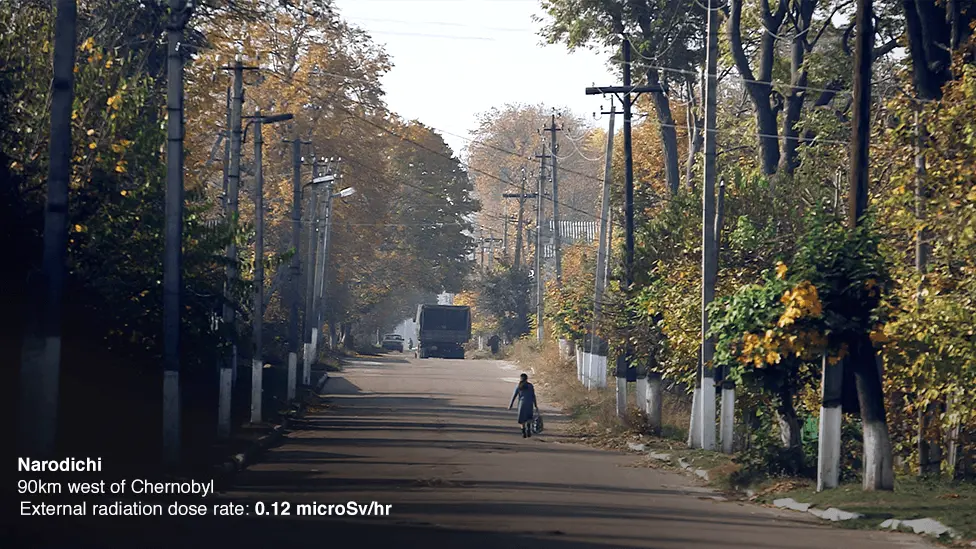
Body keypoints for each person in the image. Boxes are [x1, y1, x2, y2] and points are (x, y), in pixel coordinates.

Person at [508, 373, 539, 438]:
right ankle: (528, 430)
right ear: (527, 379)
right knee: (529, 418)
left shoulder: (518, 386)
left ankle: (523, 432)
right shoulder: (530, 386)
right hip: (529, 404)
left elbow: (514, 396)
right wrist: (536, 405)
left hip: (522, 404)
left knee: (522, 419)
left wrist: (510, 405)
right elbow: (533, 396)